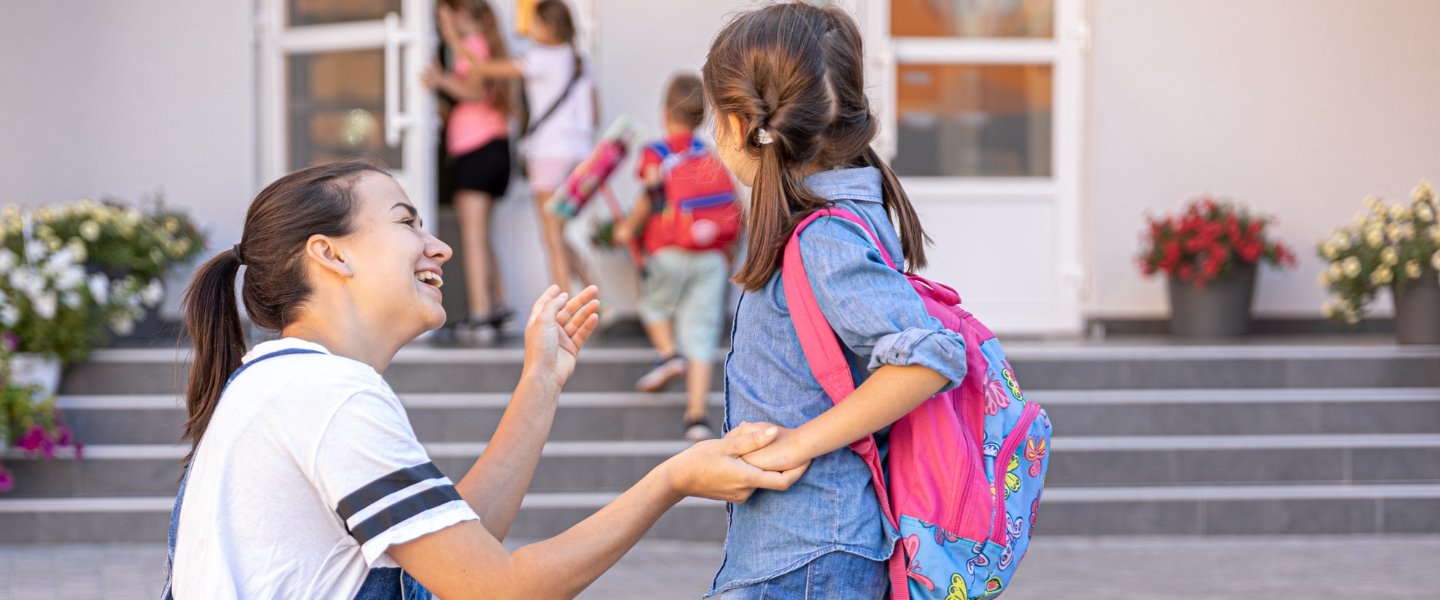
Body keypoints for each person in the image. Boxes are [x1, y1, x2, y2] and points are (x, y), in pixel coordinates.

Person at [165, 161, 807, 599]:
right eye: (406, 221)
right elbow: (496, 588)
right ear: (331, 254)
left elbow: (453, 562)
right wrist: (673, 479)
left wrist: (541, 381)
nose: (438, 246)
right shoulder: (329, 397)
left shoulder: (276, 383)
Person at [700, 4, 970, 599]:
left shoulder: (824, 235)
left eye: (712, 116)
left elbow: (930, 357)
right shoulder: (839, 220)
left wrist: (797, 443)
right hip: (803, 550)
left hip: (806, 555)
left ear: (744, 123)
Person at [614, 73, 736, 442]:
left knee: (654, 306)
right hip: (712, 256)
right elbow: (734, 210)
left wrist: (627, 230)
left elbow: (650, 198)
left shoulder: (657, 153)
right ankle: (696, 417)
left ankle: (668, 355)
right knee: (701, 332)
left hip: (670, 251)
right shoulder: (709, 155)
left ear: (665, 111)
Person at [460, 0, 596, 292]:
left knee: (551, 236)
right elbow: (594, 113)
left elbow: (483, 68)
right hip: (580, 155)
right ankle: (596, 295)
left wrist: (450, 37)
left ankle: (567, 310)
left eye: (533, 23)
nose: (528, 29)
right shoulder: (580, 62)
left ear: (548, 27)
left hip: (548, 153)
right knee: (558, 231)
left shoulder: (540, 58)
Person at [422, 0, 515, 341]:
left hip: (477, 152)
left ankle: (480, 315)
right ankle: (500, 307)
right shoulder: (486, 44)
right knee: (482, 234)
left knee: (473, 236)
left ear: (460, 14)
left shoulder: (471, 46)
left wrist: (440, 79)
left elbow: (474, 90)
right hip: (494, 148)